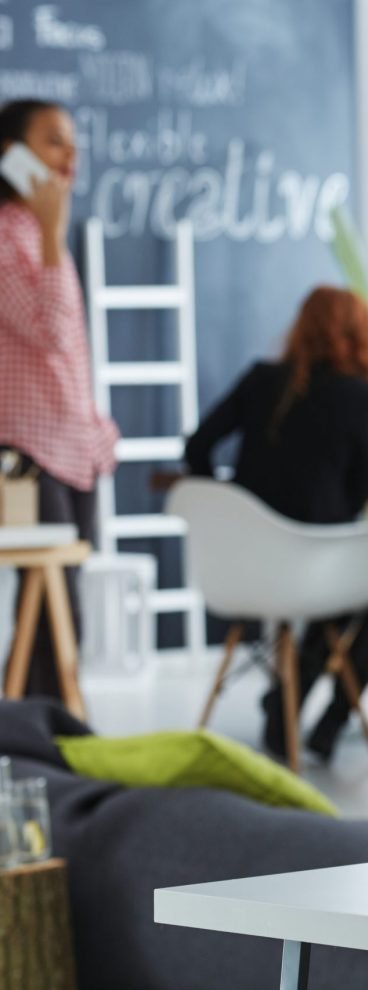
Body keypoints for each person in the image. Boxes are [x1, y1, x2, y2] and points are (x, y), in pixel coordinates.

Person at [185, 286, 368, 762]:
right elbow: (356, 499)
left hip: (242, 567)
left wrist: (230, 509)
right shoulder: (361, 397)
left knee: (341, 585)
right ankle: (328, 721)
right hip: (312, 571)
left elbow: (197, 447)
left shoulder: (260, 379)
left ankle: (283, 703)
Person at [0, 99, 119, 700]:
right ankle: (47, 734)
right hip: (31, 449)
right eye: (53, 142)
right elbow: (48, 328)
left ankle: (42, 732)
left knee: (55, 599)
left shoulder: (41, 237)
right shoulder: (9, 236)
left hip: (71, 444)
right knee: (51, 603)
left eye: (73, 142)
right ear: (12, 156)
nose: (70, 156)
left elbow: (66, 352)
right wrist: (50, 229)